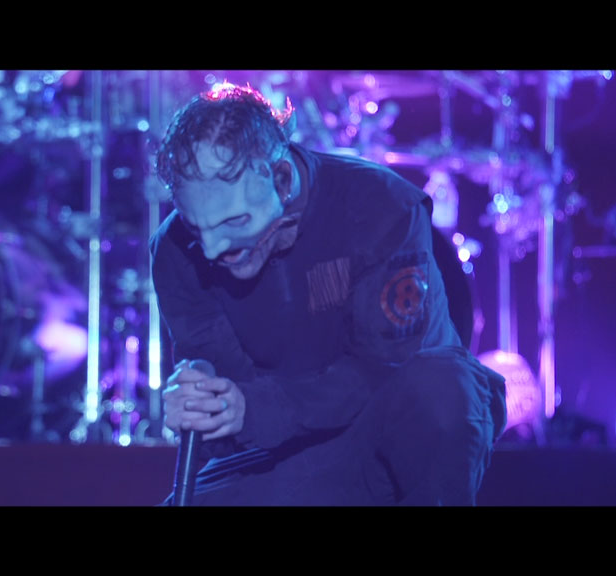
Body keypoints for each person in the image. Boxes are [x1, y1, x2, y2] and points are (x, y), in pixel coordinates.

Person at [149, 81, 508, 506]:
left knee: (441, 389)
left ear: (281, 179)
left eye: (234, 222)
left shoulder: (379, 205)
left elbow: (383, 370)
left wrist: (251, 408)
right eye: (197, 228)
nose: (211, 249)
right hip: (287, 450)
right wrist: (209, 409)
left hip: (389, 428)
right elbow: (238, 409)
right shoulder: (175, 251)